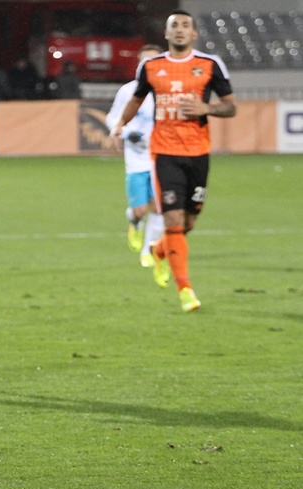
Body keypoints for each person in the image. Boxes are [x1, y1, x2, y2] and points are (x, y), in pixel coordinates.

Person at [110, 10, 237, 312]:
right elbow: (136, 99)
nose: (179, 30)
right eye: (174, 26)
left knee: (188, 223)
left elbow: (230, 107)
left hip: (198, 153)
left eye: (185, 26)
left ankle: (159, 250)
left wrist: (205, 108)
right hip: (164, 153)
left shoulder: (210, 64)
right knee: (174, 220)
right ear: (166, 34)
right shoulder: (151, 66)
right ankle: (185, 289)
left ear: (194, 33)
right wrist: (120, 125)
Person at [106, 44, 165, 267]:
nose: (148, 65)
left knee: (158, 207)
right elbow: (112, 118)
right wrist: (126, 133)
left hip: (161, 158)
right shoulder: (128, 91)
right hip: (136, 160)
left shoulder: (167, 91)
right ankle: (134, 221)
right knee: (140, 210)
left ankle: (148, 250)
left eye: (152, 60)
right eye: (144, 61)